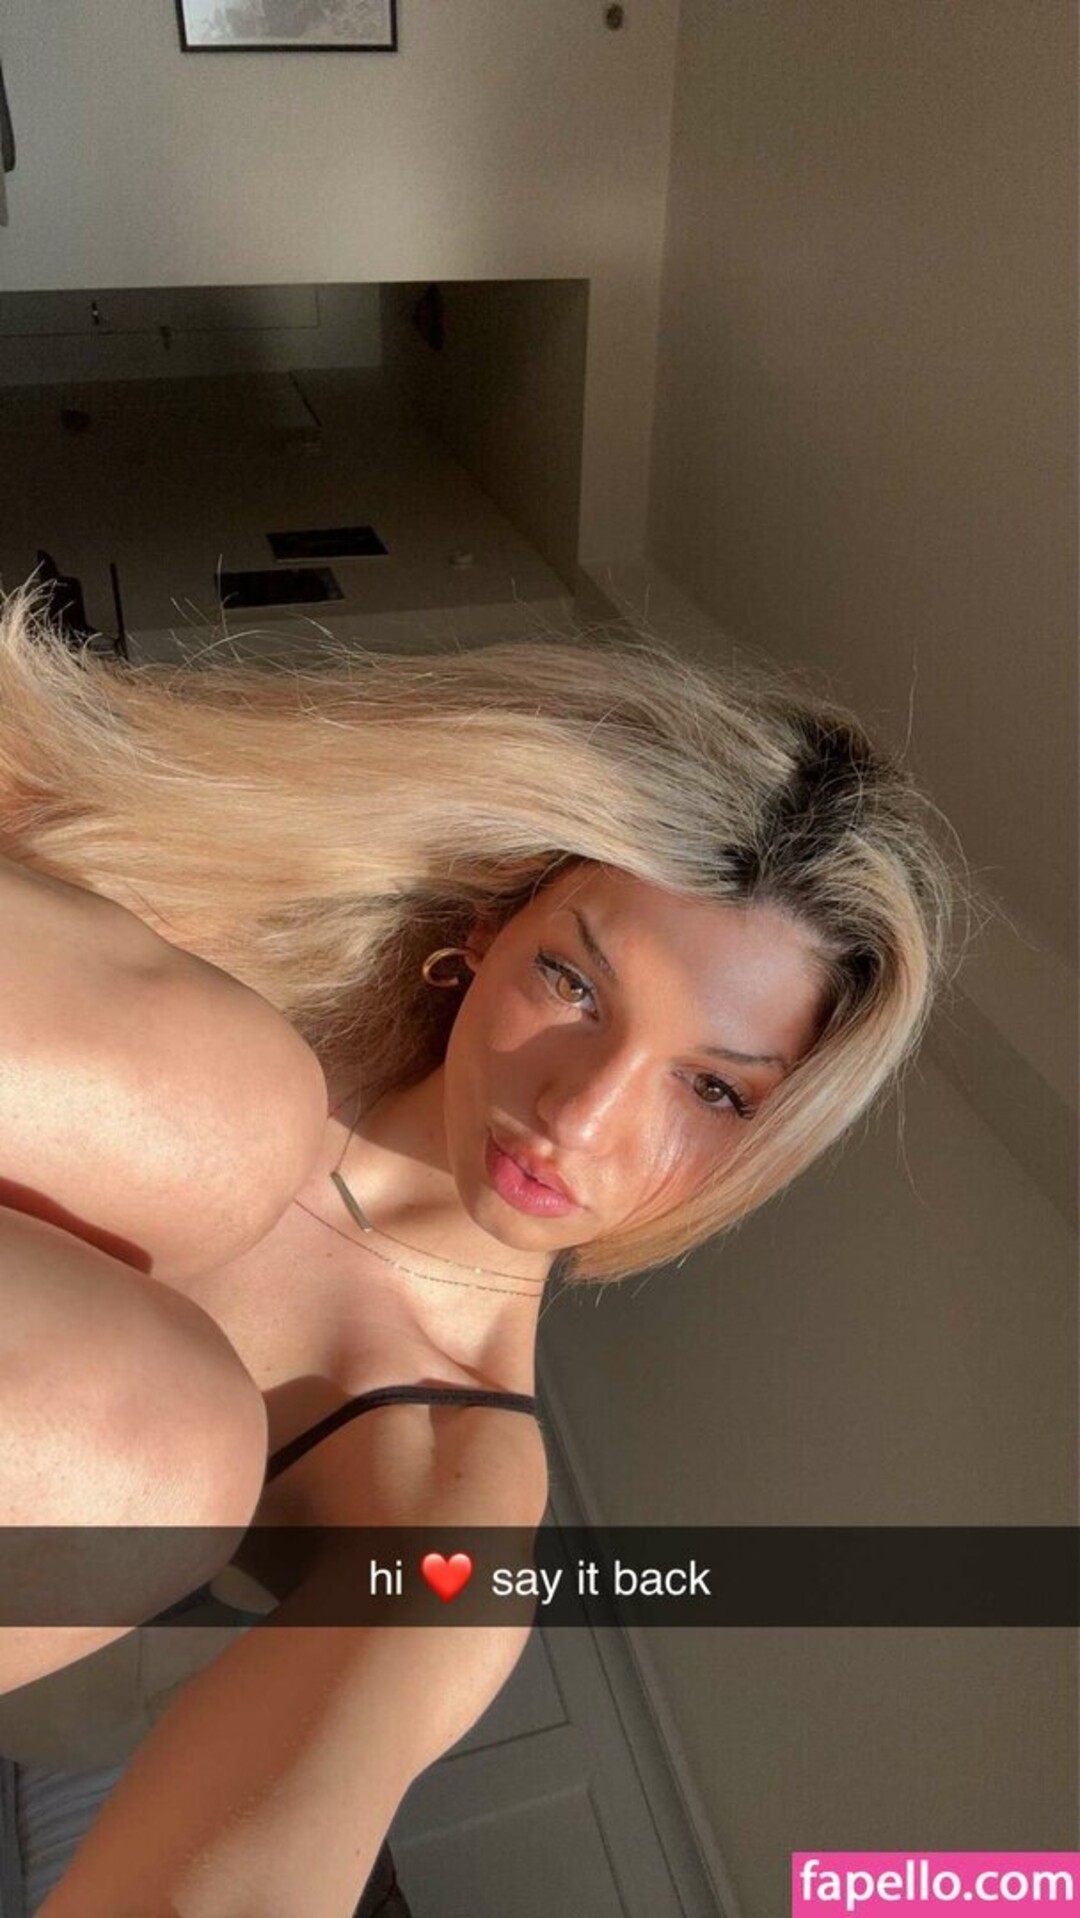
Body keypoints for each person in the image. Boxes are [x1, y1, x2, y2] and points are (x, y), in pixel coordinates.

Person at [0, 583, 964, 1915]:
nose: (582, 1115)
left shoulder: (451, 1465)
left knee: (160, 1452)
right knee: (230, 1110)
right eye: (573, 982)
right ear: (484, 930)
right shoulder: (225, 986)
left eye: (712, 1089)